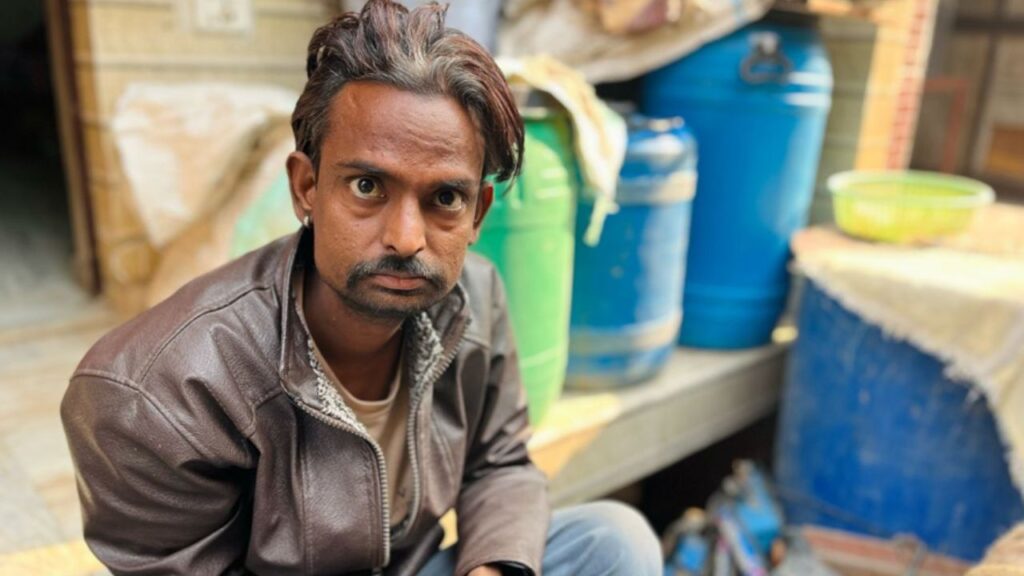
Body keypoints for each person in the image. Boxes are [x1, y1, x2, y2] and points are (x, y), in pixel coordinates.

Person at [60, 1, 662, 574]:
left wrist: (490, 569)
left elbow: (499, 465)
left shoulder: (477, 300)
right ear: (306, 188)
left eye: (444, 198)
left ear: (477, 215)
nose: (405, 238)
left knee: (615, 544)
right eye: (368, 187)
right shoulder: (150, 396)